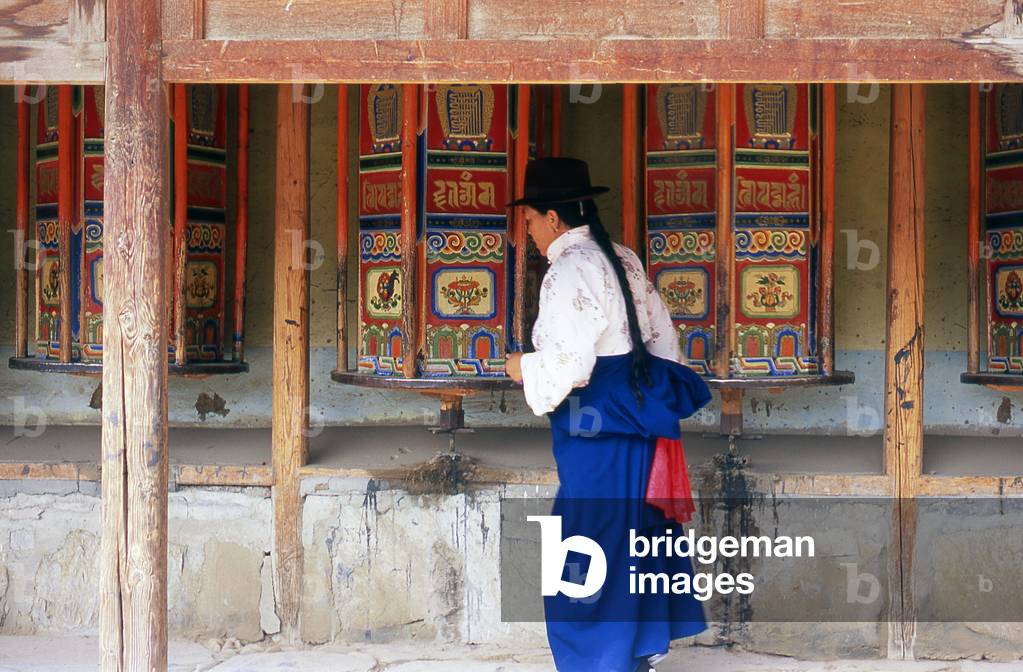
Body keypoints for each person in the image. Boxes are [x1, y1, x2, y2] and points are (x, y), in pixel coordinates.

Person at [504, 157, 712, 672]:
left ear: (553, 218)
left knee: (589, 538)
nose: (527, 232)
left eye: (529, 220)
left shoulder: (568, 269)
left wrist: (522, 367)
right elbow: (665, 339)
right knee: (635, 533)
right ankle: (635, 653)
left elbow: (571, 364)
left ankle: (598, 659)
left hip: (595, 420)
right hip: (637, 412)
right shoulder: (624, 257)